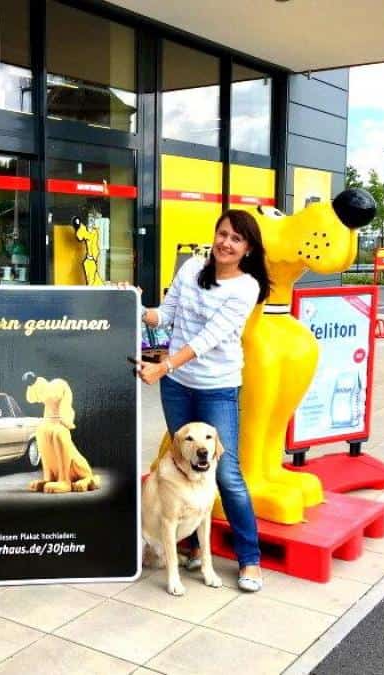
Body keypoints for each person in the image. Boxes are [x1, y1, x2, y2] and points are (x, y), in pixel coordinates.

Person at [136, 209, 270, 592]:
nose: (226, 243)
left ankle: (250, 559)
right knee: (183, 462)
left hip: (218, 386)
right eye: (222, 234)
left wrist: (164, 365)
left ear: (247, 249)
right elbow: (166, 316)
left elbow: (210, 336)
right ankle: (194, 546)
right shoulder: (192, 268)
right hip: (178, 384)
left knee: (224, 472)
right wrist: (134, 304)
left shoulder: (247, 287)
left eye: (236, 239)